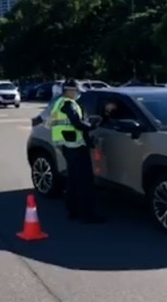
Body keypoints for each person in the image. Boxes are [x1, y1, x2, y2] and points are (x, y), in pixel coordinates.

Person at [49, 78, 104, 224]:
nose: (78, 94)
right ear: (69, 90)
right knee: (85, 182)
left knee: (73, 180)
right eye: (76, 91)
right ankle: (88, 215)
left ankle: (73, 211)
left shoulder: (59, 103)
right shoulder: (68, 104)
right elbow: (77, 124)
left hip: (67, 145)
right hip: (76, 146)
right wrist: (92, 125)